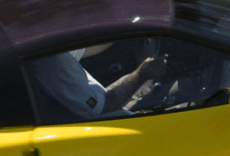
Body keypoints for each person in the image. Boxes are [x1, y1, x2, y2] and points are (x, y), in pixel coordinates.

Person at [29, 46, 167, 120]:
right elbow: (102, 109)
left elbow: (86, 48)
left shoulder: (48, 40)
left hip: (101, 103)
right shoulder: (52, 61)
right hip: (106, 122)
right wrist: (142, 75)